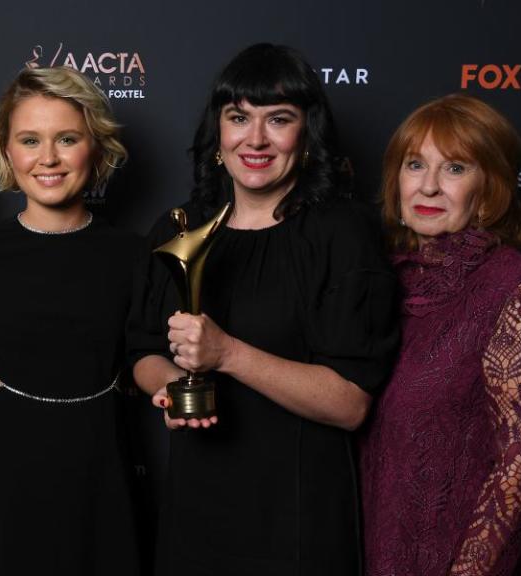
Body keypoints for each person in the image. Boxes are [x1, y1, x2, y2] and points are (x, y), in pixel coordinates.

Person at [127, 43, 400, 576]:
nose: (255, 139)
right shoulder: (178, 227)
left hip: (296, 520)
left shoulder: (341, 234)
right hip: (196, 511)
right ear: (219, 132)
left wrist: (226, 353)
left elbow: (349, 403)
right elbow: (142, 350)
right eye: (239, 118)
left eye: (278, 119)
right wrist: (168, 387)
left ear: (307, 133)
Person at [359, 93, 521, 576]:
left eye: (454, 169)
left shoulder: (510, 283)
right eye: (414, 165)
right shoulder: (375, 277)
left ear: (488, 189)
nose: (428, 187)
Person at [0, 66, 140, 576]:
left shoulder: (134, 255)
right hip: (4, 474)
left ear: (95, 148)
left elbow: (146, 357)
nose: (48, 158)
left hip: (101, 468)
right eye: (30, 140)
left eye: (67, 139)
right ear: (7, 151)